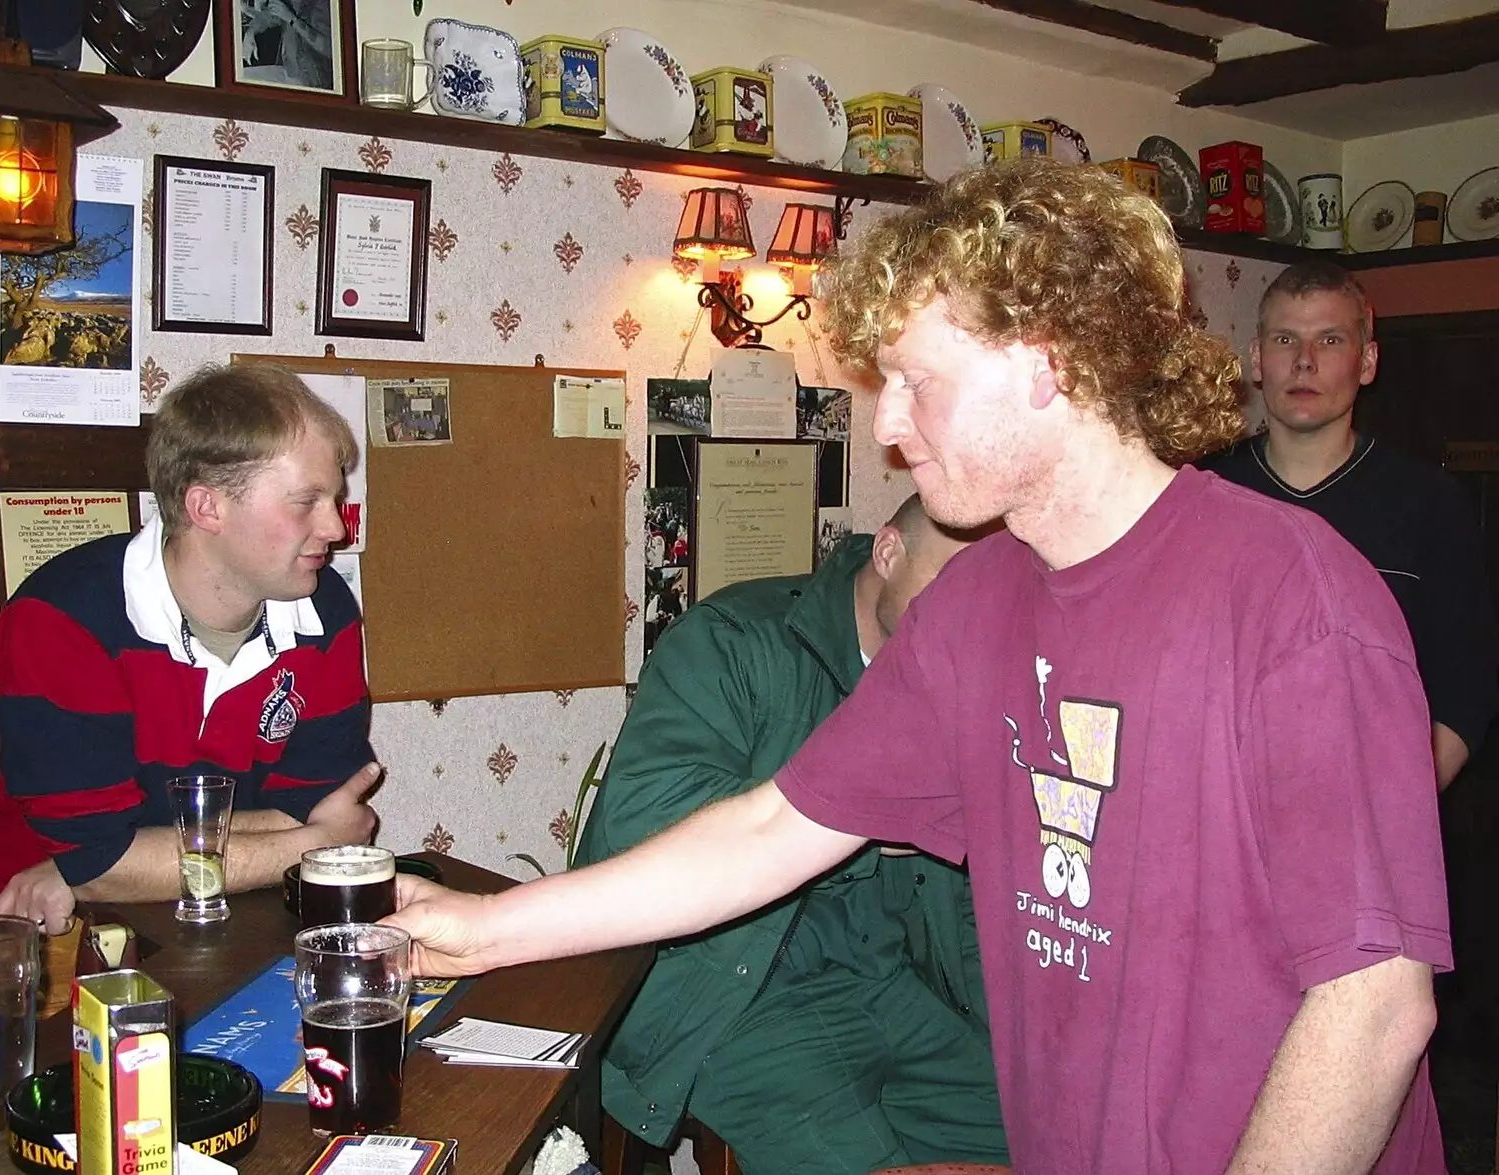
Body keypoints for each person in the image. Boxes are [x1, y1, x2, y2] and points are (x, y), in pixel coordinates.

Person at [386, 160, 1448, 1173]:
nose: (887, 428)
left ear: (1047, 362)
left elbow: (1373, 1005)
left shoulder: (1292, 599)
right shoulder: (979, 603)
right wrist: (480, 930)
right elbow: (770, 828)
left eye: (915, 381)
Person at [578, 494, 1004, 1172]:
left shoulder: (956, 684)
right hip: (736, 999)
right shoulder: (732, 640)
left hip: (890, 984)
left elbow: (967, 891)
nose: (971, 621)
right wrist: (853, 822)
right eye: (955, 585)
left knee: (1054, 1140)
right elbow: (638, 824)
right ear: (888, 552)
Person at [0, 363, 381, 930]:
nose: (335, 528)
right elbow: (100, 863)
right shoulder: (61, 619)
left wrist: (122, 856)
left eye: (335, 497)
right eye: (307, 501)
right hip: (30, 936)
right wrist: (312, 845)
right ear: (207, 508)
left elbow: (317, 803)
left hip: (229, 920)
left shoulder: (326, 610)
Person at [1207, 259, 1499, 791]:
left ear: (1366, 362)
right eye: (1284, 340)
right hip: (1230, 809)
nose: (1304, 363)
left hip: (1373, 807)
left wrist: (1397, 802)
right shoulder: (1202, 498)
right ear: (1256, 359)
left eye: (1331, 341)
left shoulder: (1429, 505)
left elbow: (1468, 682)